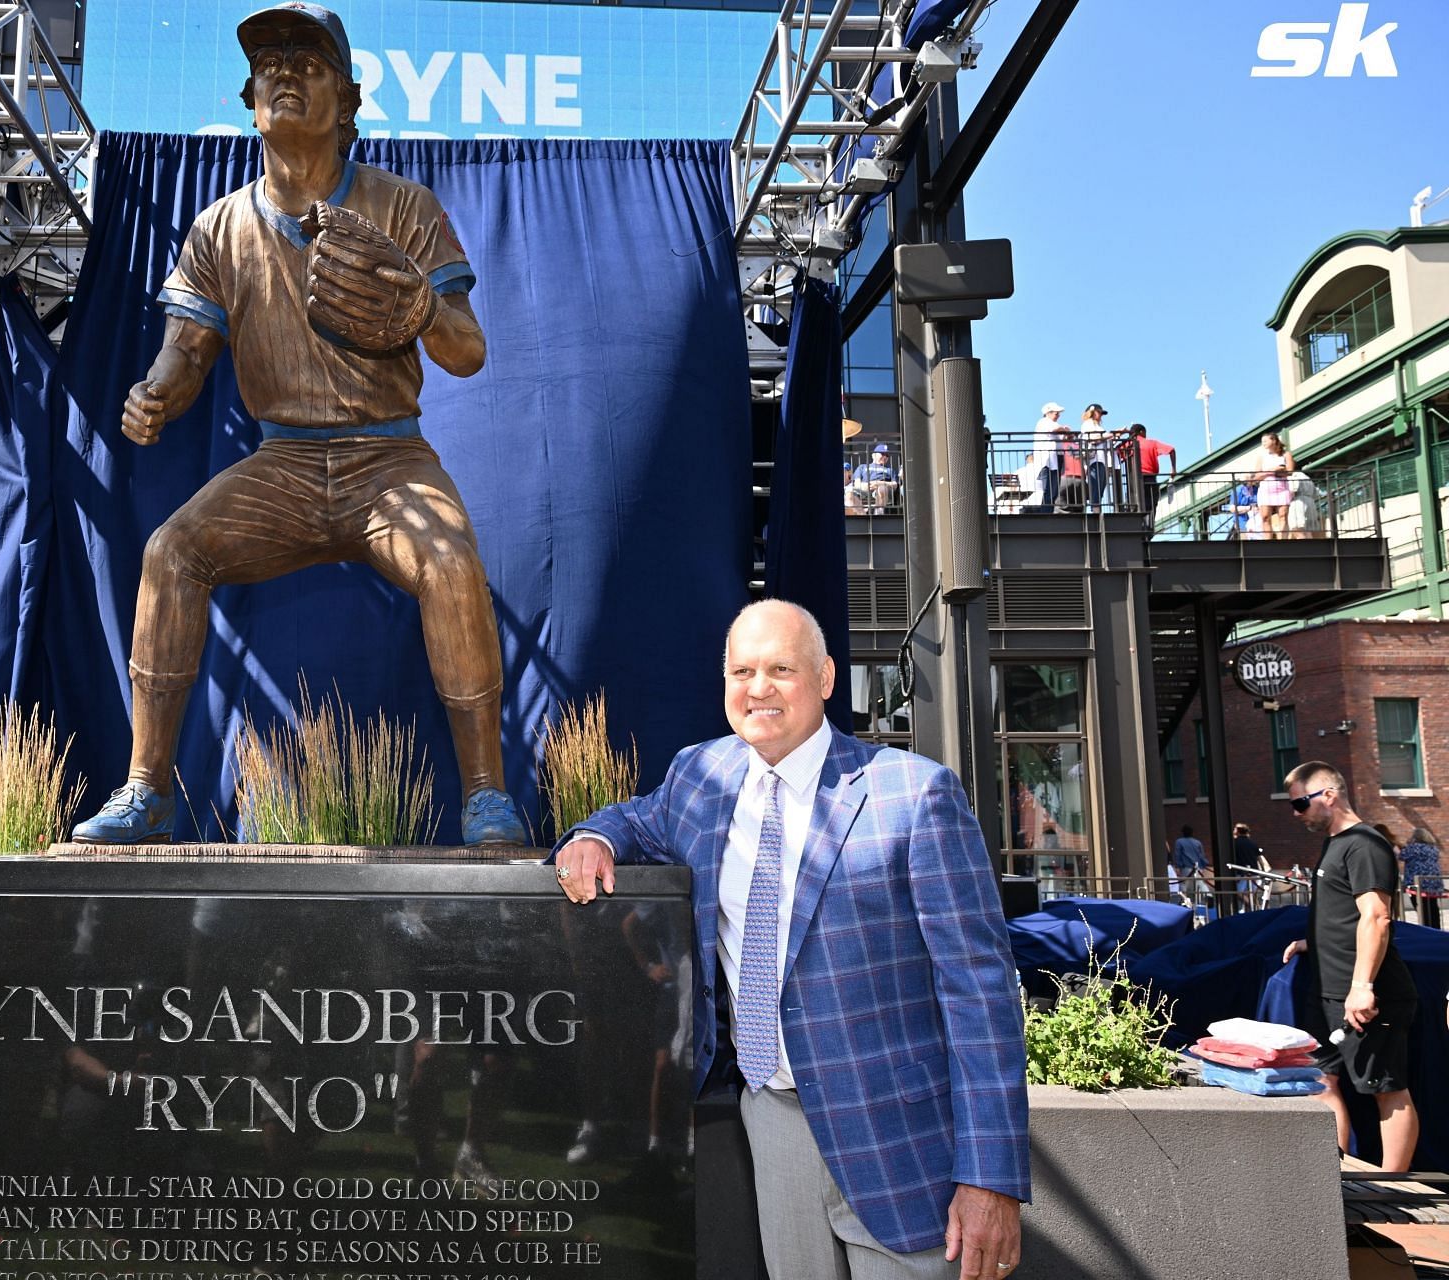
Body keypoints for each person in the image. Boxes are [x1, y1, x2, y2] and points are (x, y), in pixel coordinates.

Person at [71, 3, 520, 847]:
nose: (284, 71)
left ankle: (488, 794)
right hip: (281, 466)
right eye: (270, 62)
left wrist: (423, 305)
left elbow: (467, 353)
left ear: (348, 102)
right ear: (249, 100)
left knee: (452, 562)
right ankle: (147, 788)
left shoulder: (404, 205)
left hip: (387, 461)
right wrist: (157, 392)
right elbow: (186, 350)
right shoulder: (220, 227)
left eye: (308, 62)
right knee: (172, 551)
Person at [553, 601, 1028, 1279]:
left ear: (828, 677)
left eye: (781, 668)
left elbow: (981, 998)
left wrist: (991, 1178)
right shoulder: (701, 778)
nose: (759, 687)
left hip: (899, 1140)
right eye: (743, 670)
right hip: (772, 1123)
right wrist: (594, 838)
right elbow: (634, 817)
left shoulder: (915, 797)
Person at [1280, 762, 1418, 1172]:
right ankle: (1334, 1179)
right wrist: (1314, 943)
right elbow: (1345, 915)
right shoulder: (1335, 844)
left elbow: (1376, 917)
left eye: (1301, 803)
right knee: (1322, 1081)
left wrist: (1363, 986)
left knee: (1387, 1088)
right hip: (1328, 989)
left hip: (1368, 994)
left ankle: (1394, 1193)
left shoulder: (1365, 844)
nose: (1296, 813)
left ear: (1329, 795)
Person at [1251, 432, 1297, 540]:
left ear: (1274, 440)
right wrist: (1272, 470)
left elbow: (1289, 471)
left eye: (1265, 441)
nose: (1263, 443)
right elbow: (1256, 476)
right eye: (1262, 441)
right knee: (1265, 517)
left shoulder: (1286, 454)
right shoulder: (1261, 457)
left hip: (1282, 488)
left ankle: (1283, 540)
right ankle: (1268, 541)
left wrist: (1279, 470)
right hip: (1266, 489)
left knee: (1283, 515)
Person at [1398, 824, 1442, 929]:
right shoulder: (1434, 849)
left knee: (1421, 908)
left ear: (1416, 837)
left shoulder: (1414, 848)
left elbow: (1401, 856)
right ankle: (1436, 929)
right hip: (1433, 883)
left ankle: (1426, 929)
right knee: (1432, 907)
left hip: (1418, 884)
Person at [1128, 424, 1175, 518]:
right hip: (1150, 478)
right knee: (1151, 505)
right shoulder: (1152, 443)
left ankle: (1136, 522)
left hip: (1133, 479)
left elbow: (1117, 453)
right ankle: (1149, 525)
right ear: (1142, 432)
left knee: (1134, 504)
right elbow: (1171, 450)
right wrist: (1173, 469)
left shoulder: (1128, 444)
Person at [1078, 404, 1118, 511]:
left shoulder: (1097, 426)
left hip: (1102, 459)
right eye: (1099, 412)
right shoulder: (1088, 424)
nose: (1101, 415)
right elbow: (1091, 438)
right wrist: (1108, 435)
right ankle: (1096, 510)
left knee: (1100, 486)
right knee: (1096, 486)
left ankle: (1096, 509)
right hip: (1095, 459)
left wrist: (1115, 436)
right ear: (1092, 412)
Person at [1029, 402, 1065, 512]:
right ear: (1048, 413)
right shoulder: (1044, 422)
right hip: (1047, 461)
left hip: (1055, 460)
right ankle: (1045, 513)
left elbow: (1061, 436)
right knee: (1048, 490)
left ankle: (1048, 511)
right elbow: (1056, 430)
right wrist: (1064, 429)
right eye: (1056, 413)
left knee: (1054, 490)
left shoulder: (1052, 424)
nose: (1058, 415)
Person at [851, 442, 897, 511]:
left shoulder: (889, 470)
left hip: (882, 490)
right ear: (873, 455)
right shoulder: (862, 467)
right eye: (882, 454)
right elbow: (857, 483)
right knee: (849, 492)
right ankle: (860, 514)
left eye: (887, 455)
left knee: (882, 488)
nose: (885, 457)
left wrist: (878, 483)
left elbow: (895, 485)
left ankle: (878, 514)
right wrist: (867, 485)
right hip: (863, 489)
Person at [1231, 822, 1264, 909]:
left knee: (1238, 893)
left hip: (1241, 873)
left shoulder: (1234, 843)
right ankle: (1254, 909)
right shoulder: (1253, 843)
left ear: (1237, 831)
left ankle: (1253, 907)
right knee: (1250, 895)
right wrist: (1262, 871)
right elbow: (1259, 858)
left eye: (1235, 829)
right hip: (1254, 872)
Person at [1170, 824, 1208, 901]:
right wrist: (1203, 865)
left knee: (1184, 884)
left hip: (1186, 867)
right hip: (1198, 867)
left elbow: (1178, 854)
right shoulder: (1197, 842)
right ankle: (1207, 895)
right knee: (1199, 883)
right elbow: (1201, 855)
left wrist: (1178, 866)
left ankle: (1185, 901)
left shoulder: (1179, 842)